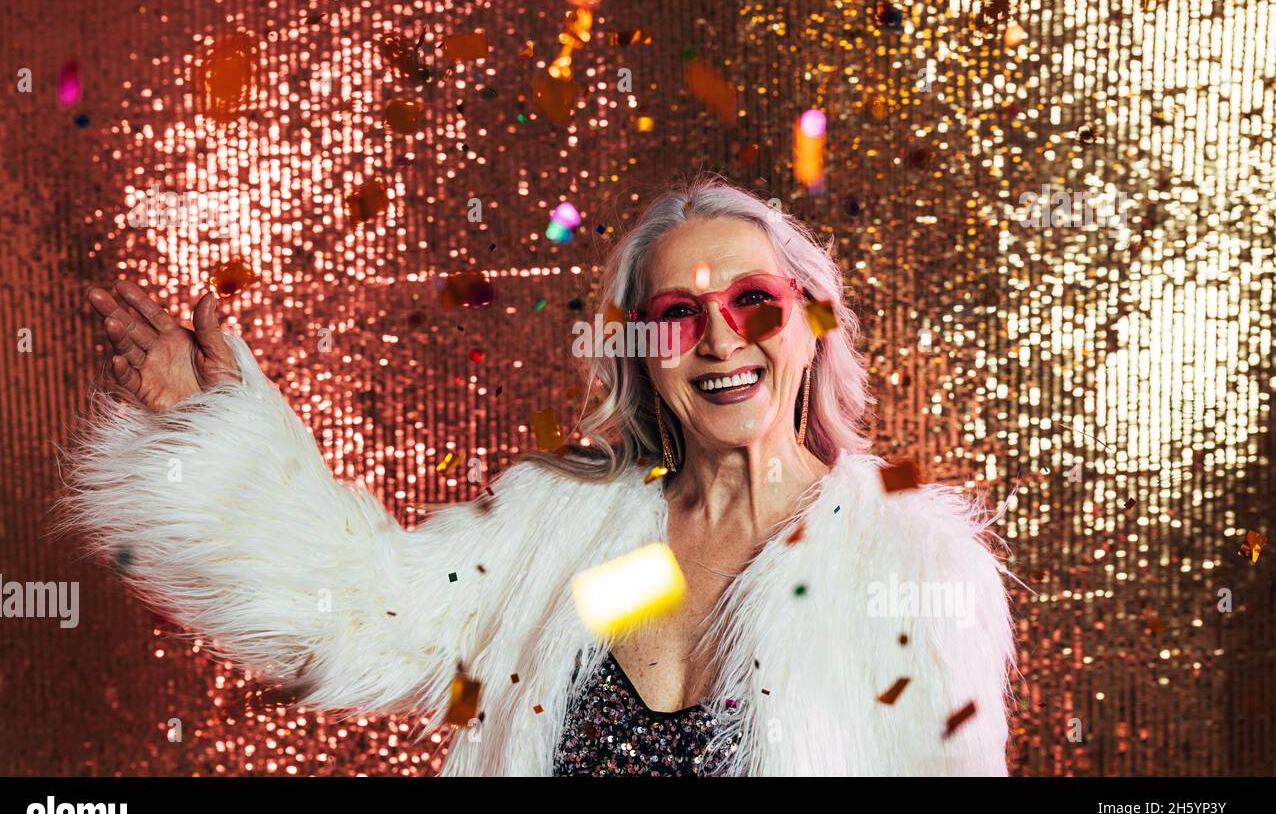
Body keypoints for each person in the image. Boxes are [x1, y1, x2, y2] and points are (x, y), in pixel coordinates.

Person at [63, 172, 1017, 776]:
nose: (722, 335)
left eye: (754, 301)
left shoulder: (912, 566)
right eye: (679, 314)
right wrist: (219, 426)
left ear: (808, 326)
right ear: (642, 353)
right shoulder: (573, 526)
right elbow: (364, 613)